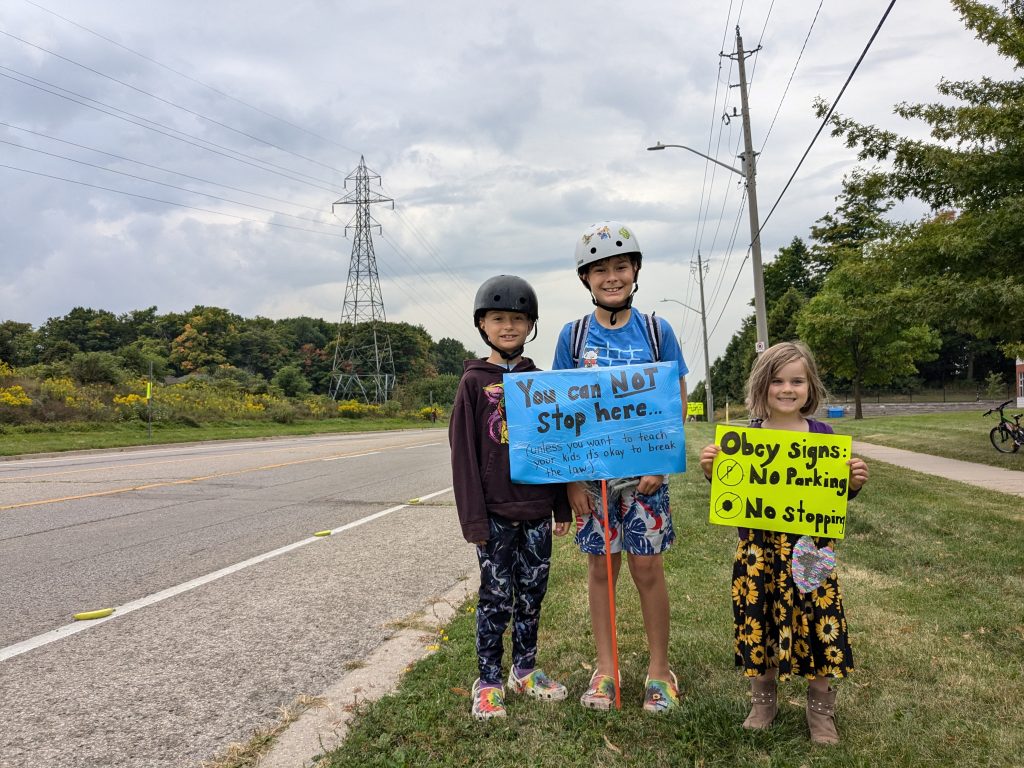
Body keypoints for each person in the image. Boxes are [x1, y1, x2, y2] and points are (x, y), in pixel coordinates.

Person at [698, 340, 869, 744]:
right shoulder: (746, 438)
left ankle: (821, 710)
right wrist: (712, 471)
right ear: (762, 386)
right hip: (758, 553)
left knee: (819, 628)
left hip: (811, 551)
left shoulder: (824, 436)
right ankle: (763, 700)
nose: (787, 389)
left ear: (810, 387)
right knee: (759, 626)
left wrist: (852, 483)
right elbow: (733, 493)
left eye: (797, 381)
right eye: (777, 381)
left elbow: (832, 495)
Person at [552, 221, 689, 713]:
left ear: (635, 271)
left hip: (646, 477)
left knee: (647, 568)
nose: (612, 277)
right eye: (600, 270)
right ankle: (606, 668)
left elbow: (675, 398)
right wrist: (570, 480)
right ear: (585, 278)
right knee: (600, 571)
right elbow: (557, 413)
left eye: (620, 266)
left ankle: (659, 670)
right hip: (593, 479)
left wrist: (662, 460)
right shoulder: (572, 337)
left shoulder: (656, 330)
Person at [450, 274, 572, 720]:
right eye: (498, 318)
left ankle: (524, 669)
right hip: (495, 514)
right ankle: (488, 679)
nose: (508, 327)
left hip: (537, 511)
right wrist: (474, 521)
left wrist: (559, 506)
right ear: (483, 325)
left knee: (532, 595)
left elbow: (557, 449)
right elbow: (463, 455)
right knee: (496, 598)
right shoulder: (472, 383)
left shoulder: (541, 382)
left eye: (517, 319)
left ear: (530, 325)